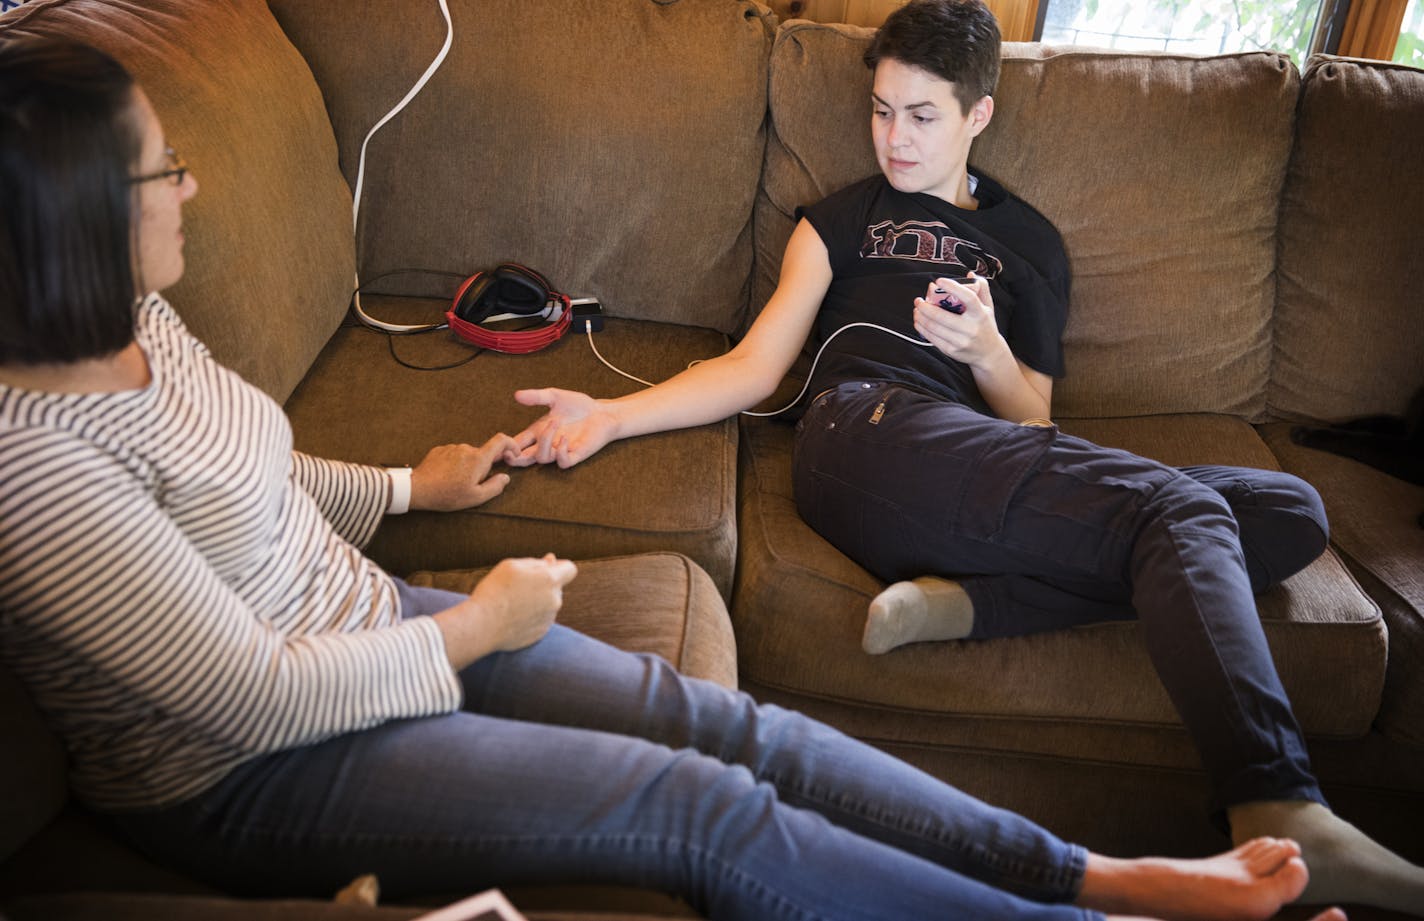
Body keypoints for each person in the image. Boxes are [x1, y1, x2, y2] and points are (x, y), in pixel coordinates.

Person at [0, 33, 1350, 921]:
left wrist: (415, 490)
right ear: (67, 223)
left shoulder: (136, 322)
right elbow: (239, 689)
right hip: (248, 765)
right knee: (698, 804)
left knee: (741, 730)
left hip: (369, 620)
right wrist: (477, 620)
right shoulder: (32, 472)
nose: (189, 191)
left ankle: (1100, 873)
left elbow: (254, 474)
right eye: (158, 170)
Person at [505, 0, 1424, 914]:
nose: (893, 140)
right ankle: (1281, 802)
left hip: (973, 456)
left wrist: (987, 351)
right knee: (1181, 512)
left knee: (1290, 508)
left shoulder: (1030, 249)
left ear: (979, 113)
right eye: (880, 109)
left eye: (922, 115)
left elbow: (1034, 427)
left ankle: (979, 603)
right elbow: (753, 364)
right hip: (858, 437)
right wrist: (611, 417)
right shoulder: (838, 220)